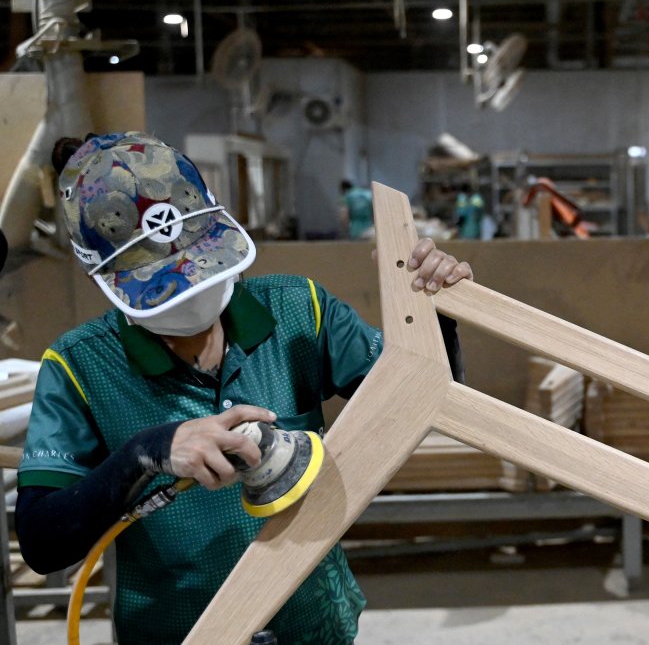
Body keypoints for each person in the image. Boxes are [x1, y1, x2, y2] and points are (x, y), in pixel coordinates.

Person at [16, 132, 473, 644]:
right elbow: (42, 542)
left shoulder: (299, 310)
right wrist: (147, 453)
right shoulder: (81, 366)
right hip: (183, 634)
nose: (190, 288)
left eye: (200, 264)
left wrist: (437, 316)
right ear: (103, 276)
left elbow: (430, 400)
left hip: (314, 627)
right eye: (164, 284)